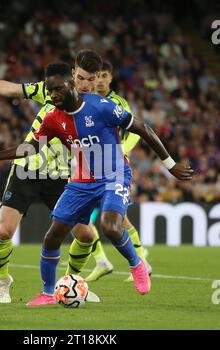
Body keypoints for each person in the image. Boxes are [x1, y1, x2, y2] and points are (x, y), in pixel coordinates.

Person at [0, 62, 193, 306]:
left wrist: (170, 165)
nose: (52, 96)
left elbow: (142, 128)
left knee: (109, 227)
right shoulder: (53, 115)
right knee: (52, 236)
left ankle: (136, 265)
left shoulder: (102, 107)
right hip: (76, 179)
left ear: (72, 84)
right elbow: (30, 146)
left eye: (57, 90)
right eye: (49, 91)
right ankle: (48, 293)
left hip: (111, 174)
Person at [0, 50, 106, 304]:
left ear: (96, 79)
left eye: (89, 80)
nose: (84, 84)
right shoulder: (52, 89)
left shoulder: (96, 107)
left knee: (86, 235)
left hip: (61, 175)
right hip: (27, 167)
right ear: (73, 74)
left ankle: (71, 283)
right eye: (80, 78)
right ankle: (2, 279)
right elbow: (9, 89)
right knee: (5, 232)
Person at [82, 61, 152, 282]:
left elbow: (137, 130)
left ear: (111, 78)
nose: (100, 80)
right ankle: (106, 260)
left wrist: (123, 150)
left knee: (116, 219)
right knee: (86, 217)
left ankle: (137, 261)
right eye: (97, 75)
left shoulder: (118, 102)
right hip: (88, 165)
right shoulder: (85, 100)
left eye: (104, 75)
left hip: (112, 167)